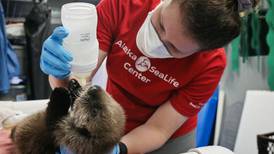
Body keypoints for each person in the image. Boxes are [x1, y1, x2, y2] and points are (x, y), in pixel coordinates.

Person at [0, 0, 258, 153]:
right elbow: (79, 80)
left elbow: (158, 129)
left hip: (167, 140)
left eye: (174, 48)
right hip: (111, 121)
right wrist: (61, 72)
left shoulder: (210, 65)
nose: (159, 40)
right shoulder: (125, 4)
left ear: (203, 51)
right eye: (159, 24)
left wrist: (119, 150)